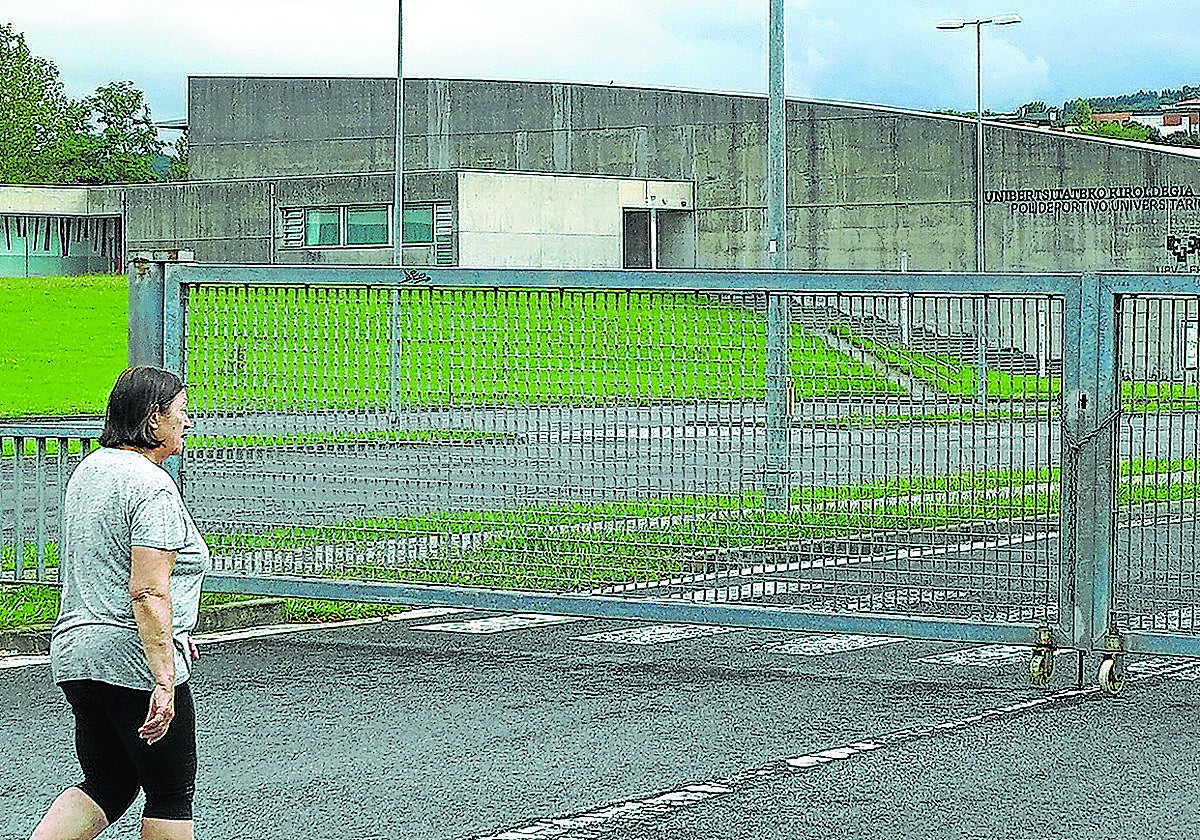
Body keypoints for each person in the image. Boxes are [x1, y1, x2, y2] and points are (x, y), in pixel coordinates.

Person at [30, 366, 209, 840]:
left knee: (108, 783)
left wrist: (177, 633)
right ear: (154, 421)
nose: (187, 422)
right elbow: (147, 590)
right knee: (170, 790)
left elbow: (104, 565)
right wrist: (165, 678)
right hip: (131, 661)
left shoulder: (89, 470)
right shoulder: (152, 485)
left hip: (75, 655)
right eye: (181, 412)